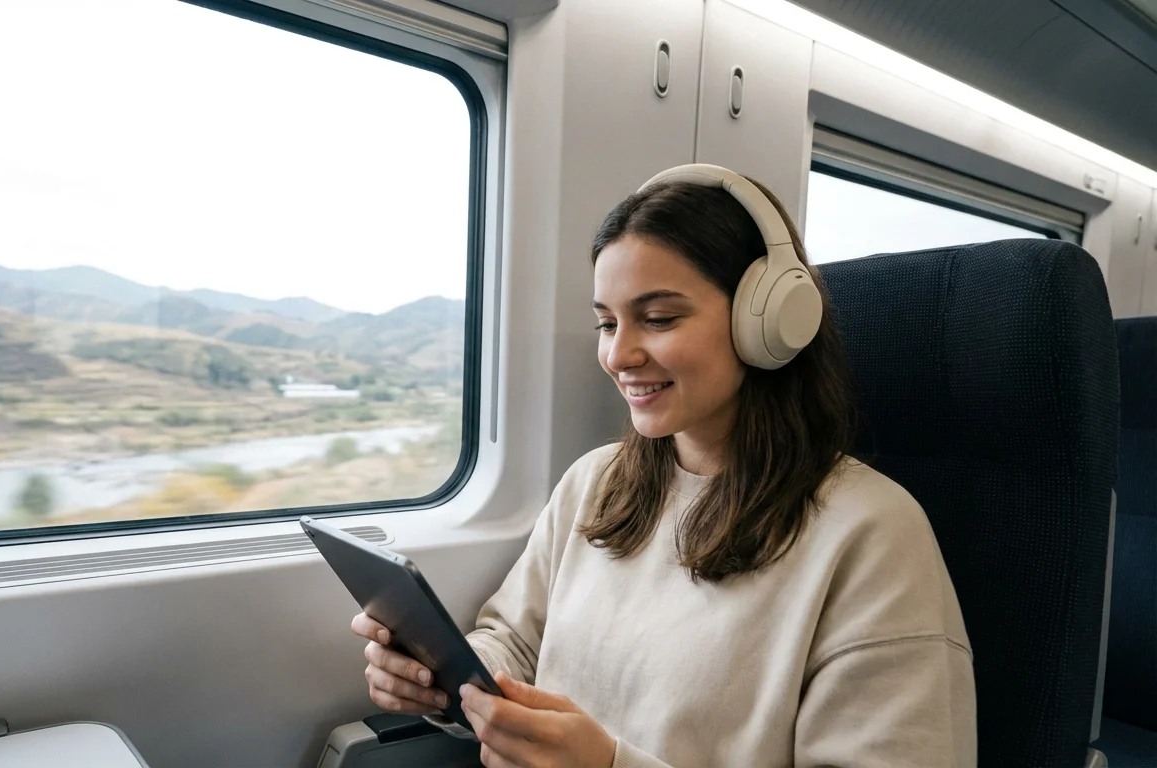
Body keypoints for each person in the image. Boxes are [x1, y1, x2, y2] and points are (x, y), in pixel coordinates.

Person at [351, 165, 975, 767]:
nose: (619, 354)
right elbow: (512, 641)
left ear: (767, 320)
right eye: (606, 323)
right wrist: (442, 676)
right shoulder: (596, 483)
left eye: (658, 318)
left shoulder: (871, 534)